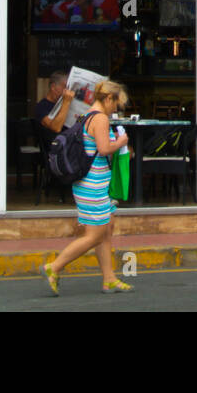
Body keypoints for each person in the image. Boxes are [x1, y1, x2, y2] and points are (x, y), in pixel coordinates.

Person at [41, 79, 134, 295]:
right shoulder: (100, 118)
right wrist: (121, 143)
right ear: (108, 98)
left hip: (91, 182)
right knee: (94, 235)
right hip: (93, 184)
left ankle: (109, 279)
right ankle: (54, 267)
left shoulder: (87, 115)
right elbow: (103, 149)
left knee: (107, 229)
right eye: (116, 104)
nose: (115, 110)